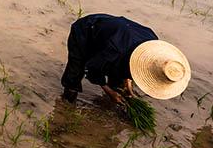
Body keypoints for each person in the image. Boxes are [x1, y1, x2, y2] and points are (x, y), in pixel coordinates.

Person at [61, 14, 191, 104]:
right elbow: (92, 69)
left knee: (119, 79)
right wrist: (109, 92)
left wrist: (128, 84)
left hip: (116, 35)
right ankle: (66, 105)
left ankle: (113, 96)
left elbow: (137, 61)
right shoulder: (115, 49)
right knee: (75, 72)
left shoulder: (153, 45)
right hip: (86, 30)